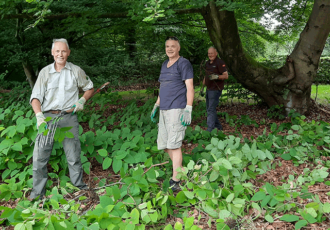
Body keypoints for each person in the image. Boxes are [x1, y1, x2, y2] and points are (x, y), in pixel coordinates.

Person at [29, 38, 94, 200]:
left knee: (73, 155)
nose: (60, 54)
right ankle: (37, 193)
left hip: (68, 117)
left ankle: (80, 189)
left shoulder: (76, 71)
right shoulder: (45, 72)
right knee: (39, 156)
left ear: (68, 53)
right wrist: (39, 116)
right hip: (48, 118)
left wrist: (82, 100)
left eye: (63, 51)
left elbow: (89, 87)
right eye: (57, 51)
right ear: (52, 53)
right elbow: (35, 98)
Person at [150, 36, 194, 192]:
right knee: (166, 145)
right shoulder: (164, 64)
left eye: (173, 46)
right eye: (167, 46)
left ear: (178, 48)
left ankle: (176, 180)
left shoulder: (184, 63)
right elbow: (163, 87)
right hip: (164, 109)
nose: (169, 49)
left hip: (177, 109)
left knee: (175, 146)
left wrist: (188, 108)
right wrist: (156, 104)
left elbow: (190, 87)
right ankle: (181, 171)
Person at [203, 47, 228, 132]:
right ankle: (218, 126)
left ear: (216, 53)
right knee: (210, 108)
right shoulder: (207, 63)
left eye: (212, 53)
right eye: (209, 53)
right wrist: (203, 86)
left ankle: (210, 129)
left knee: (211, 109)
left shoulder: (220, 62)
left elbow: (226, 75)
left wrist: (217, 77)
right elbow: (206, 76)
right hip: (209, 88)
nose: (210, 55)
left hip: (216, 89)